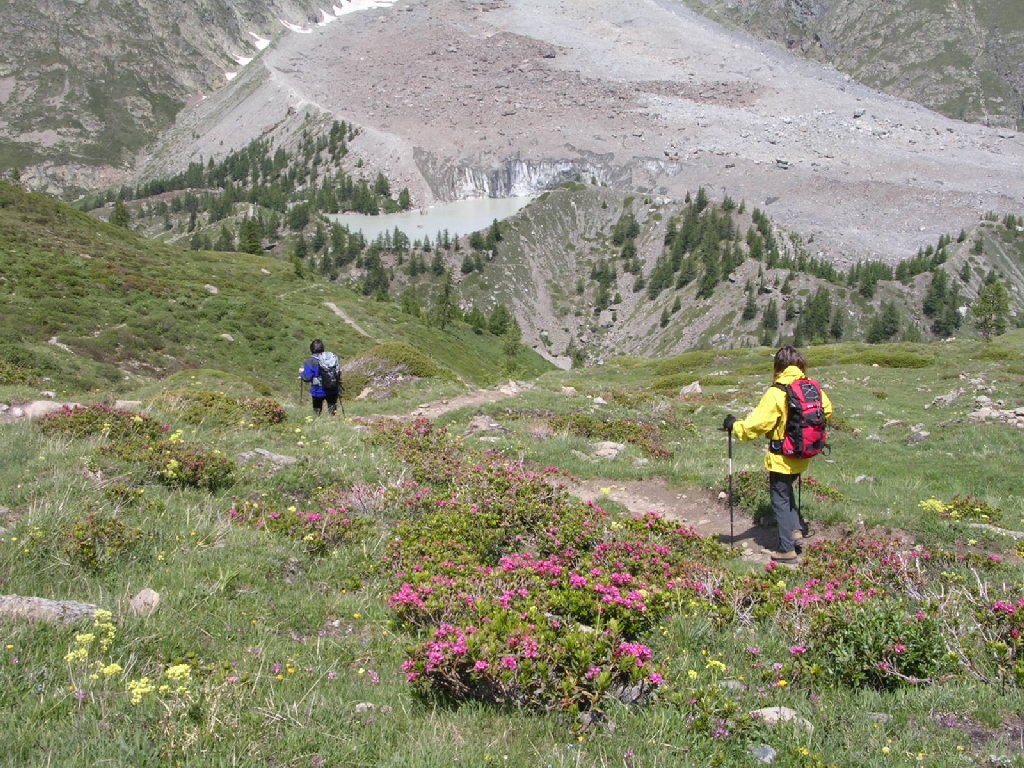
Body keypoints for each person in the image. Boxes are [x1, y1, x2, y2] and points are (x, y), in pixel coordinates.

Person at [722, 346, 832, 563]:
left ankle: (786, 550)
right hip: (804, 453)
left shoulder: (777, 391)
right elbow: (826, 409)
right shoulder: (811, 387)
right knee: (787, 491)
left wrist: (734, 426)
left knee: (779, 499)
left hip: (782, 456)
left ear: (778, 366)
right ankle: (795, 532)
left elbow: (756, 425)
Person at [300, 339, 341, 416]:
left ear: (311, 349)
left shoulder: (310, 361)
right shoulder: (332, 358)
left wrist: (301, 373)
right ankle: (332, 423)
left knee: (317, 413)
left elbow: (307, 378)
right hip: (333, 389)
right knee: (332, 412)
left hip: (318, 391)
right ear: (323, 348)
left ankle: (318, 424)